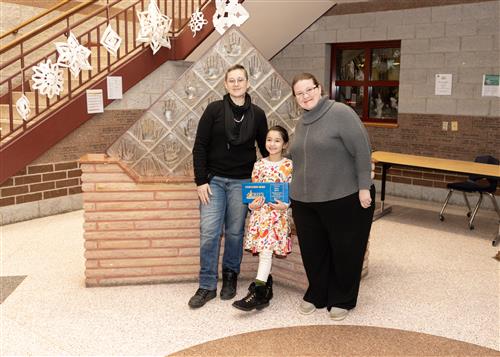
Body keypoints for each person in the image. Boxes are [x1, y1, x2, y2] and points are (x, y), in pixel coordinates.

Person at [289, 73, 375, 320]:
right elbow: (299, 157)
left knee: (345, 250)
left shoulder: (340, 113)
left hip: (342, 196)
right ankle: (318, 292)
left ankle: (342, 298)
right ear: (295, 98)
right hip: (305, 201)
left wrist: (364, 187)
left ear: (320, 88)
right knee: (313, 251)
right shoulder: (301, 121)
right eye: (300, 93)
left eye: (309, 89)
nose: (306, 96)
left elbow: (361, 150)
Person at [189, 64, 269, 309]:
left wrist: (271, 183)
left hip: (243, 182)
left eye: (240, 79)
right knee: (210, 233)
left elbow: (266, 152)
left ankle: (231, 278)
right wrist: (201, 180)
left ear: (247, 83)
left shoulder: (257, 114)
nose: (236, 84)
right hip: (214, 182)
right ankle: (207, 285)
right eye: (231, 80)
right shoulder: (213, 110)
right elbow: (200, 146)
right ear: (225, 84)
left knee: (235, 233)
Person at [232, 125, 293, 311]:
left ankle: (258, 292)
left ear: (284, 144)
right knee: (265, 252)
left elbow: (292, 191)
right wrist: (252, 205)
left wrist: (287, 204)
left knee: (266, 252)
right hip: (260, 217)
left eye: (277, 140)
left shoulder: (289, 165)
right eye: (269, 140)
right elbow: (253, 192)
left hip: (278, 216)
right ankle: (265, 287)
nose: (272, 144)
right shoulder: (258, 165)